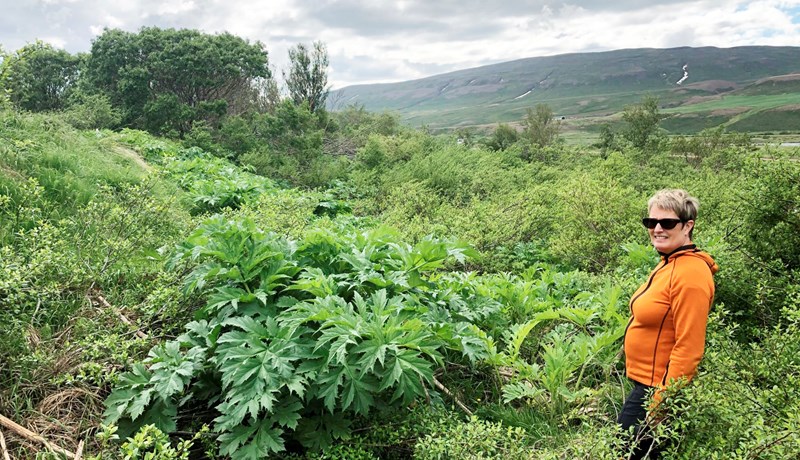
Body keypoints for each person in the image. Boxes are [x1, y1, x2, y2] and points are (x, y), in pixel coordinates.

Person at [618, 189, 718, 459]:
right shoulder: (669, 262)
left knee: (624, 450)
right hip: (647, 383)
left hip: (658, 388)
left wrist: (661, 403)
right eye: (651, 222)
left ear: (688, 226)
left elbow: (689, 346)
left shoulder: (690, 274)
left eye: (667, 223)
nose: (657, 229)